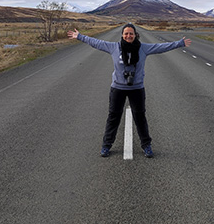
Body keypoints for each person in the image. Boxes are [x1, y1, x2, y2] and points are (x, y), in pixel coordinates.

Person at [67, 24, 191, 158]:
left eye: (131, 33)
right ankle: (106, 146)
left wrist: (179, 43)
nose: (128, 36)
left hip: (136, 89)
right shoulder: (114, 47)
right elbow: (97, 43)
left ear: (135, 35)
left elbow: (160, 47)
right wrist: (80, 36)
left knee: (140, 118)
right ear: (122, 35)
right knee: (113, 118)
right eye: (126, 33)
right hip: (118, 88)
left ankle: (146, 145)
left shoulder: (143, 48)